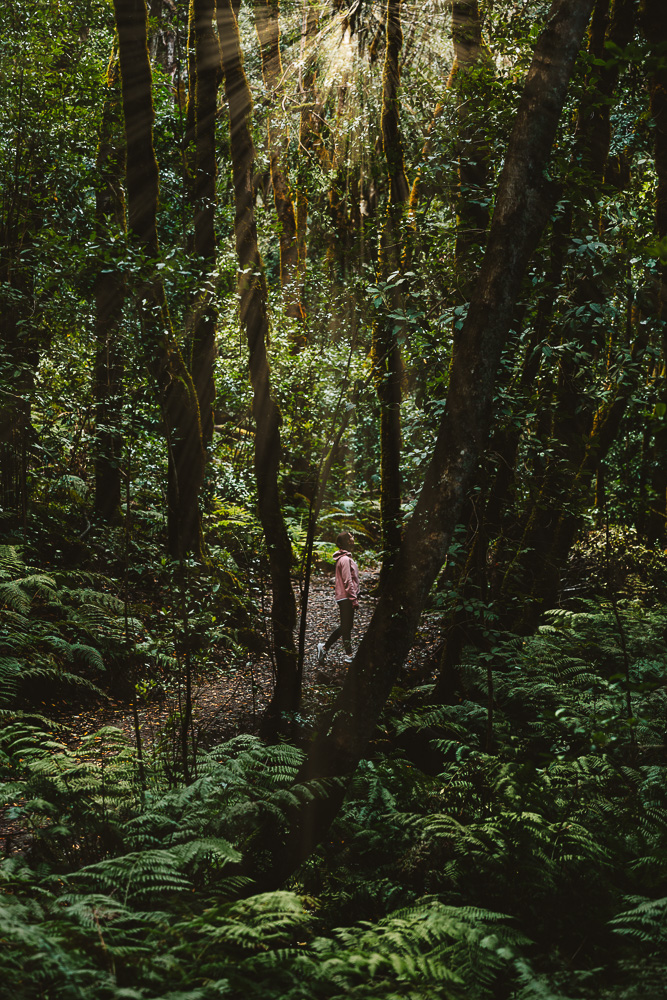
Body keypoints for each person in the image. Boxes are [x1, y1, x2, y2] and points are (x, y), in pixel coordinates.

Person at [317, 530, 360, 665]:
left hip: (344, 597)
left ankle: (348, 654)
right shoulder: (345, 559)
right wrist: (353, 599)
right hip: (346, 598)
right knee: (346, 627)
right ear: (347, 541)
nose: (353, 538)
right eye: (351, 537)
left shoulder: (343, 558)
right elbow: (347, 581)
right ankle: (325, 648)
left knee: (346, 626)